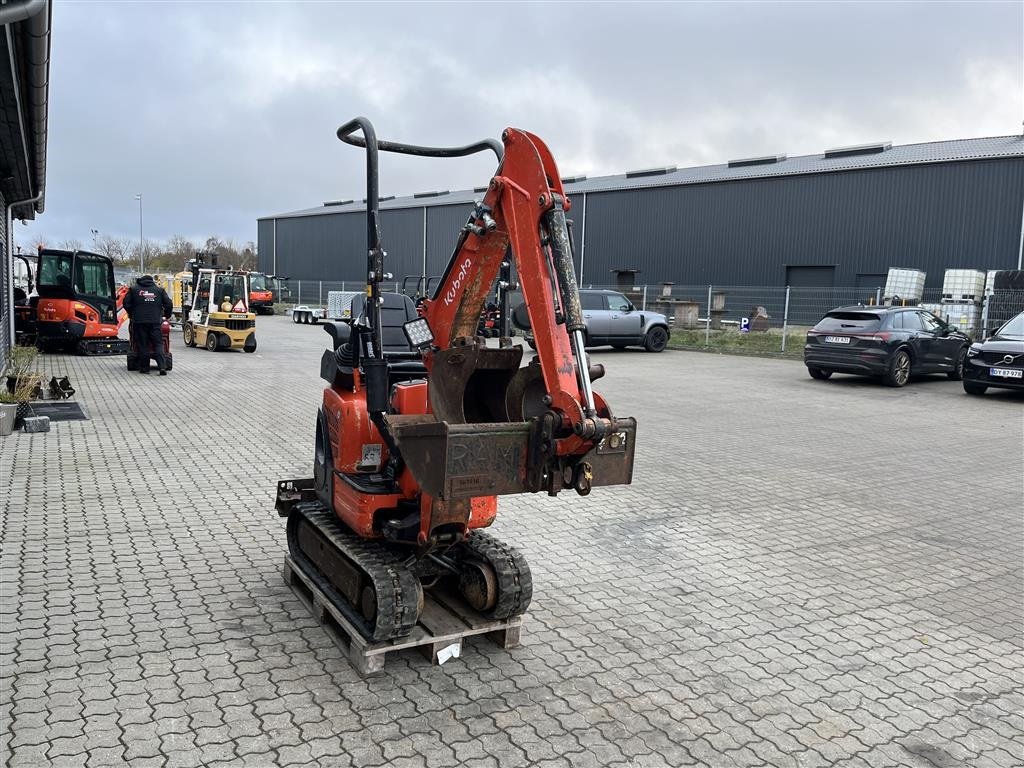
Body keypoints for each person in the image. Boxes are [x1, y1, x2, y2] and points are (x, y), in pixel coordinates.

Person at [123, 275, 173, 375]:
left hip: (139, 322)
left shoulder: (133, 289)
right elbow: (168, 304)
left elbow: (126, 303)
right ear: (152, 281)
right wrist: (166, 315)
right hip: (155, 322)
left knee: (143, 344)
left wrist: (132, 313)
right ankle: (162, 367)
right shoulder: (159, 290)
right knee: (158, 344)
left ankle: (145, 368)